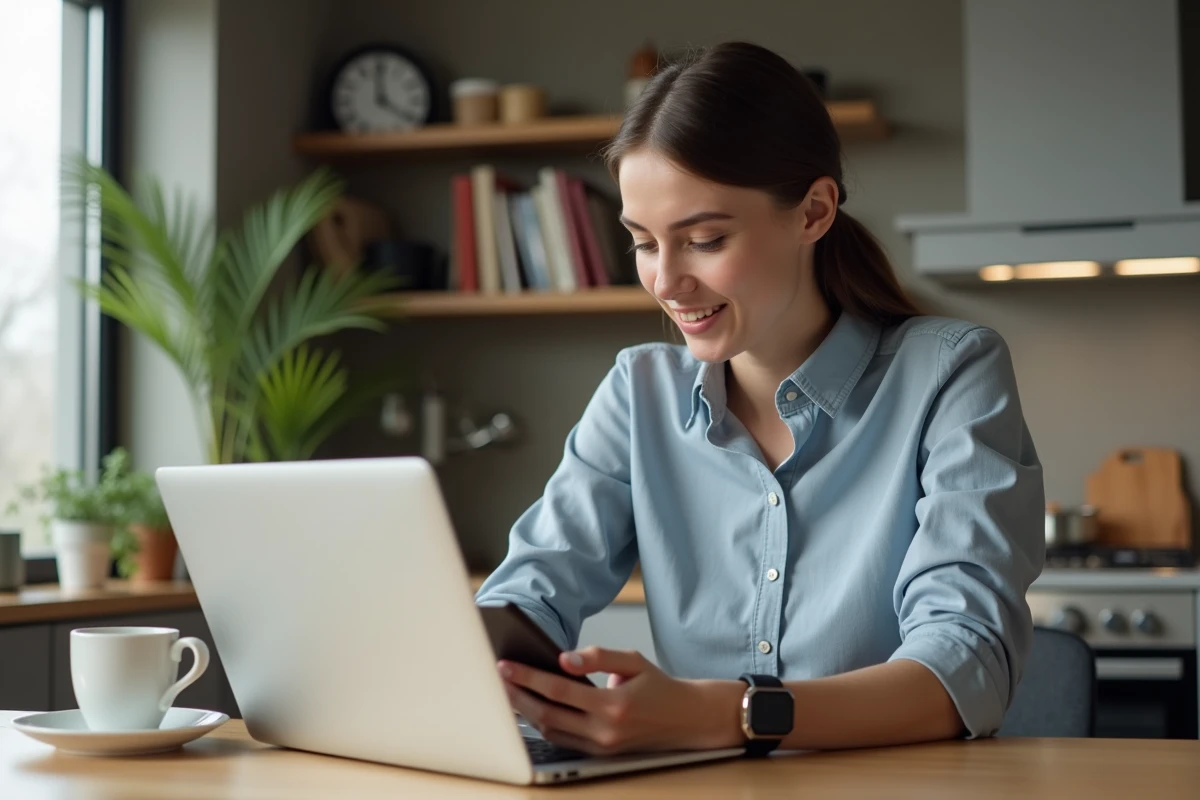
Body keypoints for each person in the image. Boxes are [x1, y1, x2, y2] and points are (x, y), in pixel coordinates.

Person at [475, 41, 1044, 756]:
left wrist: (730, 714)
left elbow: (967, 662)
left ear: (813, 212)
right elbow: (532, 589)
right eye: (644, 243)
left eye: (704, 239)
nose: (666, 281)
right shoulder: (638, 392)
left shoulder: (952, 373)